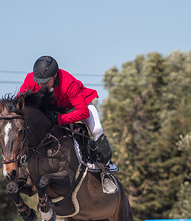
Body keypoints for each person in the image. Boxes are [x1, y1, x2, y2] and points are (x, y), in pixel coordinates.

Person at [18, 56, 118, 193]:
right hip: (53, 108)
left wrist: (59, 119)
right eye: (39, 82)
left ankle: (105, 170)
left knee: (96, 130)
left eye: (46, 81)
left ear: (55, 75)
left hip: (77, 106)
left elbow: (83, 112)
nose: (41, 85)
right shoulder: (31, 79)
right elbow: (20, 105)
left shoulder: (68, 82)